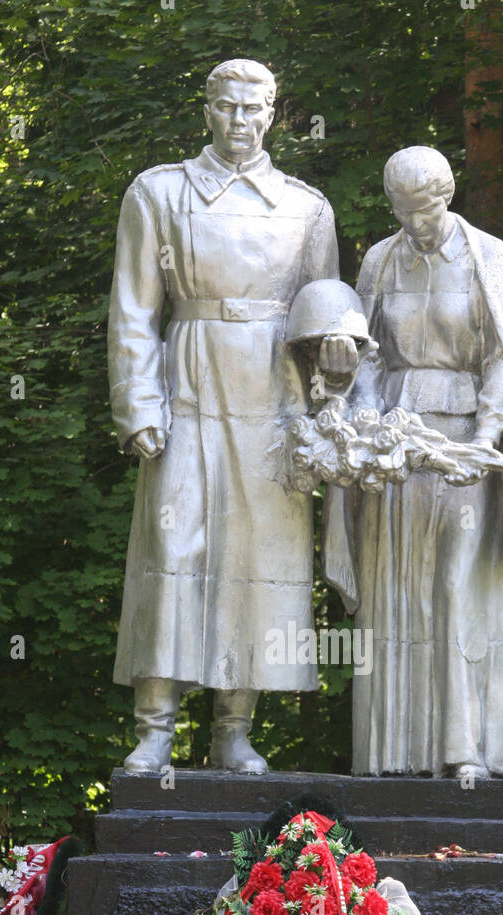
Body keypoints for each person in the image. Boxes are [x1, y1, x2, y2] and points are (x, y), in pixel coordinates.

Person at [108, 59, 340, 772]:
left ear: (273, 113)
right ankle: (154, 727)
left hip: (273, 394)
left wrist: (330, 393)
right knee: (174, 551)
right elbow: (133, 309)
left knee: (259, 557)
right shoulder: (160, 192)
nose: (240, 122)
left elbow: (327, 316)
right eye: (227, 108)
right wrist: (138, 401)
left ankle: (235, 727)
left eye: (254, 109)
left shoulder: (306, 208)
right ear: (205, 110)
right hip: (189, 380)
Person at [323, 146, 503, 778]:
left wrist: (487, 436)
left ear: (447, 196)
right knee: (393, 588)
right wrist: (357, 404)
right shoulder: (379, 260)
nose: (415, 224)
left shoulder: (493, 262)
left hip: (463, 443)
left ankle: (467, 751)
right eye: (402, 211)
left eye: (424, 210)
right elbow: (368, 355)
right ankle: (391, 756)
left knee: (458, 584)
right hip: (394, 446)